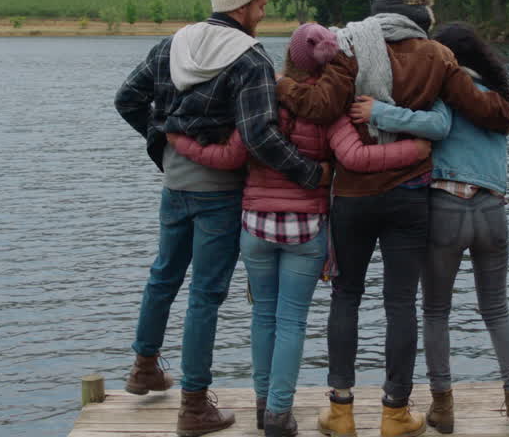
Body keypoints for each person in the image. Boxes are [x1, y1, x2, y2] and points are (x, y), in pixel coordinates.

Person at [274, 0, 509, 437]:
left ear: (378, 9)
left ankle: (341, 411)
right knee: (402, 303)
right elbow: (479, 108)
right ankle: (394, 413)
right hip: (409, 196)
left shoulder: (350, 44)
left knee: (346, 296)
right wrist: (507, 116)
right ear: (420, 16)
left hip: (353, 197)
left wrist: (283, 84)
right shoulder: (438, 56)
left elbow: (324, 105)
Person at [169, 22, 432, 437]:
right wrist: (414, 150)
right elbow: (356, 157)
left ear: (290, 57)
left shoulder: (260, 97)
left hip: (255, 224)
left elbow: (231, 155)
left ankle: (260, 407)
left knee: (263, 317)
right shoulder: (329, 110)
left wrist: (178, 142)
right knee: (291, 321)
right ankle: (278, 415)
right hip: (305, 228)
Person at [114, 0, 330, 437]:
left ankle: (144, 366)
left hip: (175, 183)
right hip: (220, 194)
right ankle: (194, 407)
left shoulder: (174, 43)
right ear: (247, 3)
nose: (264, 8)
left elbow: (127, 99)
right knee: (206, 296)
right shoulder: (250, 59)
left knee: (163, 274)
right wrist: (312, 174)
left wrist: (162, 142)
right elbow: (259, 139)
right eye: (263, 1)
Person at [348, 22, 509, 434]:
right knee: (497, 309)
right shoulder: (496, 99)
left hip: (447, 204)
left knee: (435, 310)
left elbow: (435, 125)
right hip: (492, 209)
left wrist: (377, 111)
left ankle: (443, 407)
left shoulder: (446, 88)